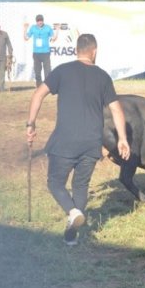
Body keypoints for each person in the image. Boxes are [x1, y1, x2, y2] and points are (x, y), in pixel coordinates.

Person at [25, 34, 130, 246]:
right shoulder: (102, 76)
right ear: (94, 51)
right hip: (92, 142)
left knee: (55, 183)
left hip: (64, 140)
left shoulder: (62, 71)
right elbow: (116, 109)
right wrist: (123, 139)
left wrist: (31, 124)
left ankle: (72, 212)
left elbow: (38, 94)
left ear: (76, 50)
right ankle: (71, 235)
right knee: (80, 186)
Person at [24, 14, 58, 87]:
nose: (40, 22)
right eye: (38, 21)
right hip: (36, 53)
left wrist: (57, 30)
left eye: (41, 20)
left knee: (47, 71)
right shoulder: (33, 28)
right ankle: (39, 86)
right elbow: (26, 38)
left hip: (46, 53)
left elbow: (54, 39)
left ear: (43, 21)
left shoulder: (48, 27)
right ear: (36, 21)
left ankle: (48, 86)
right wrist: (25, 28)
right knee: (37, 71)